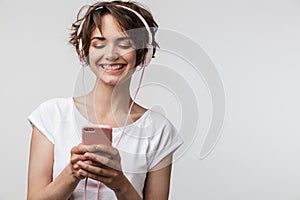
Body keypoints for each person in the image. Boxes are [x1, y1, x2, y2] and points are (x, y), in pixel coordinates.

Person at [27, 1, 183, 199]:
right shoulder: (51, 116)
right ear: (84, 51)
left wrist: (119, 183)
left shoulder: (159, 130)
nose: (111, 54)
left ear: (144, 54)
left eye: (125, 43)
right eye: (99, 43)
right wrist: (72, 174)